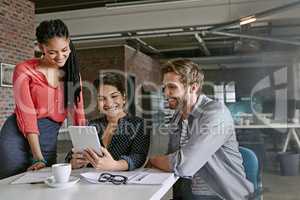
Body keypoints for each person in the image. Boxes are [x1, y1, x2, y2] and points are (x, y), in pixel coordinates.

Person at [148, 59, 254, 200]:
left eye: (172, 87)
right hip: (187, 193)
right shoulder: (177, 116)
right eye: (164, 88)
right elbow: (172, 156)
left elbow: (182, 165)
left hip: (222, 195)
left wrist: (149, 160)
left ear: (193, 87)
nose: (166, 93)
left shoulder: (215, 114)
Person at [0, 19, 86, 179]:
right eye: (52, 52)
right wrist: (38, 157)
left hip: (48, 136)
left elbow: (79, 116)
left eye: (64, 49)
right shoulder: (24, 70)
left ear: (68, 42)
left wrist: (84, 149)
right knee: (11, 183)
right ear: (41, 48)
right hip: (17, 135)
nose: (60, 56)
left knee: (43, 183)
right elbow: (27, 115)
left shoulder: (73, 75)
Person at [69, 72, 150, 171]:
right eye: (102, 98)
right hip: (91, 182)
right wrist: (73, 162)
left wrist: (115, 165)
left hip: (121, 182)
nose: (109, 103)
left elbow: (138, 156)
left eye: (114, 96)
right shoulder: (90, 125)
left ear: (123, 97)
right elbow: (72, 154)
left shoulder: (139, 124)